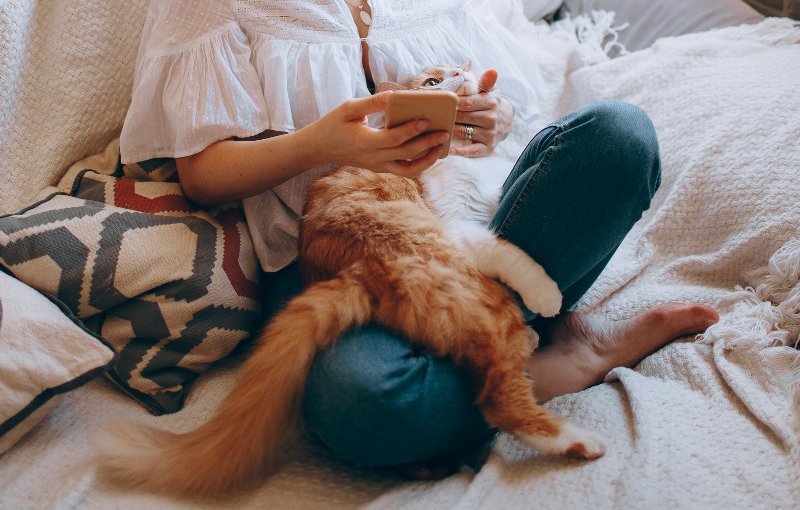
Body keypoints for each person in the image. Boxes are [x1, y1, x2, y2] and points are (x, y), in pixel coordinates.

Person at [121, 0, 719, 479]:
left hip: (475, 219)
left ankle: (488, 348)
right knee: (363, 406)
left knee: (620, 136)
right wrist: (322, 144)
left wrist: (492, 117)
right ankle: (546, 358)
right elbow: (202, 175)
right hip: (345, 255)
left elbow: (498, 98)